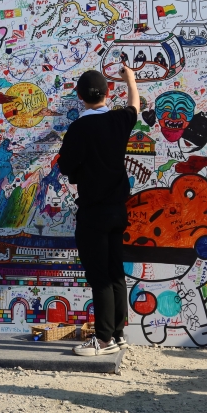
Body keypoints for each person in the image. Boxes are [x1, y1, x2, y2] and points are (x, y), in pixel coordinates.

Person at [57, 65, 139, 356]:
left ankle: (103, 340)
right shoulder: (120, 121)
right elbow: (134, 105)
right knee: (116, 273)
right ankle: (117, 334)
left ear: (80, 97)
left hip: (93, 212)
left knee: (100, 276)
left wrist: (82, 170)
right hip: (118, 211)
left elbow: (66, 167)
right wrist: (130, 78)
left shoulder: (80, 128)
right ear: (107, 93)